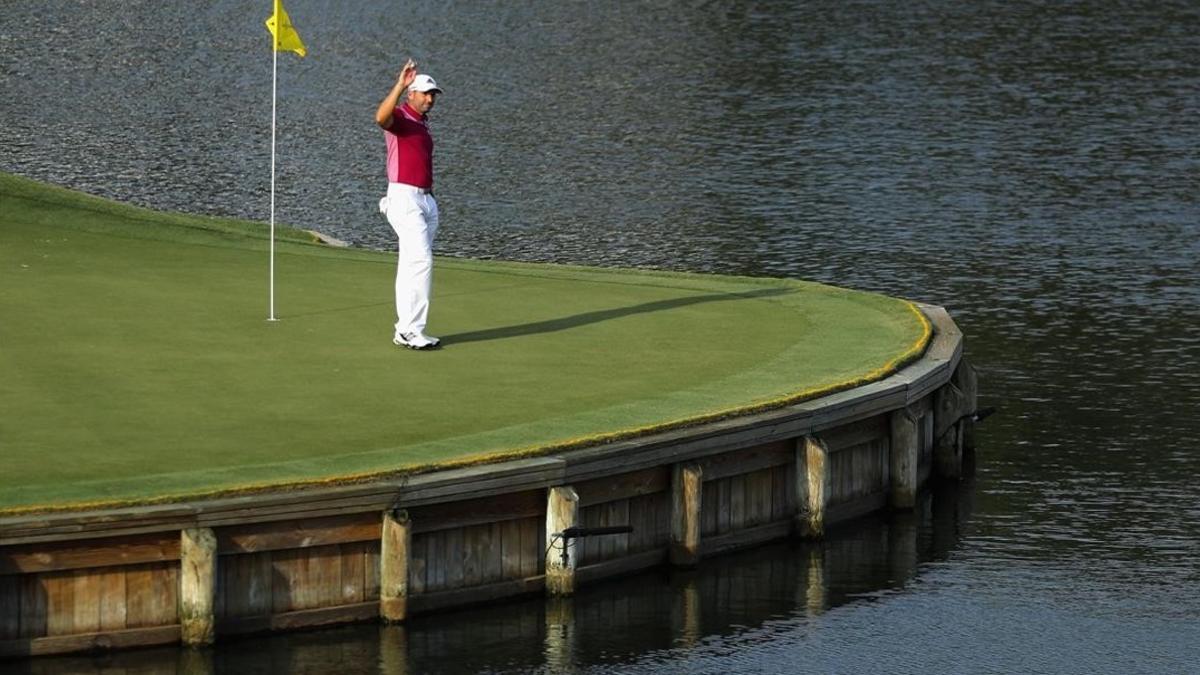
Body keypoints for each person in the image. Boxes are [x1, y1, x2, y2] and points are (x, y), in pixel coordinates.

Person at [375, 59, 443, 350]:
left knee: (410, 265)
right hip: (405, 198)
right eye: (425, 93)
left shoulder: (422, 124)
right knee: (421, 262)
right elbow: (380, 117)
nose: (430, 98)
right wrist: (399, 84)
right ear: (411, 94)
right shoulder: (400, 117)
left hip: (425, 200)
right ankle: (411, 330)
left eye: (433, 94)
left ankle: (404, 328)